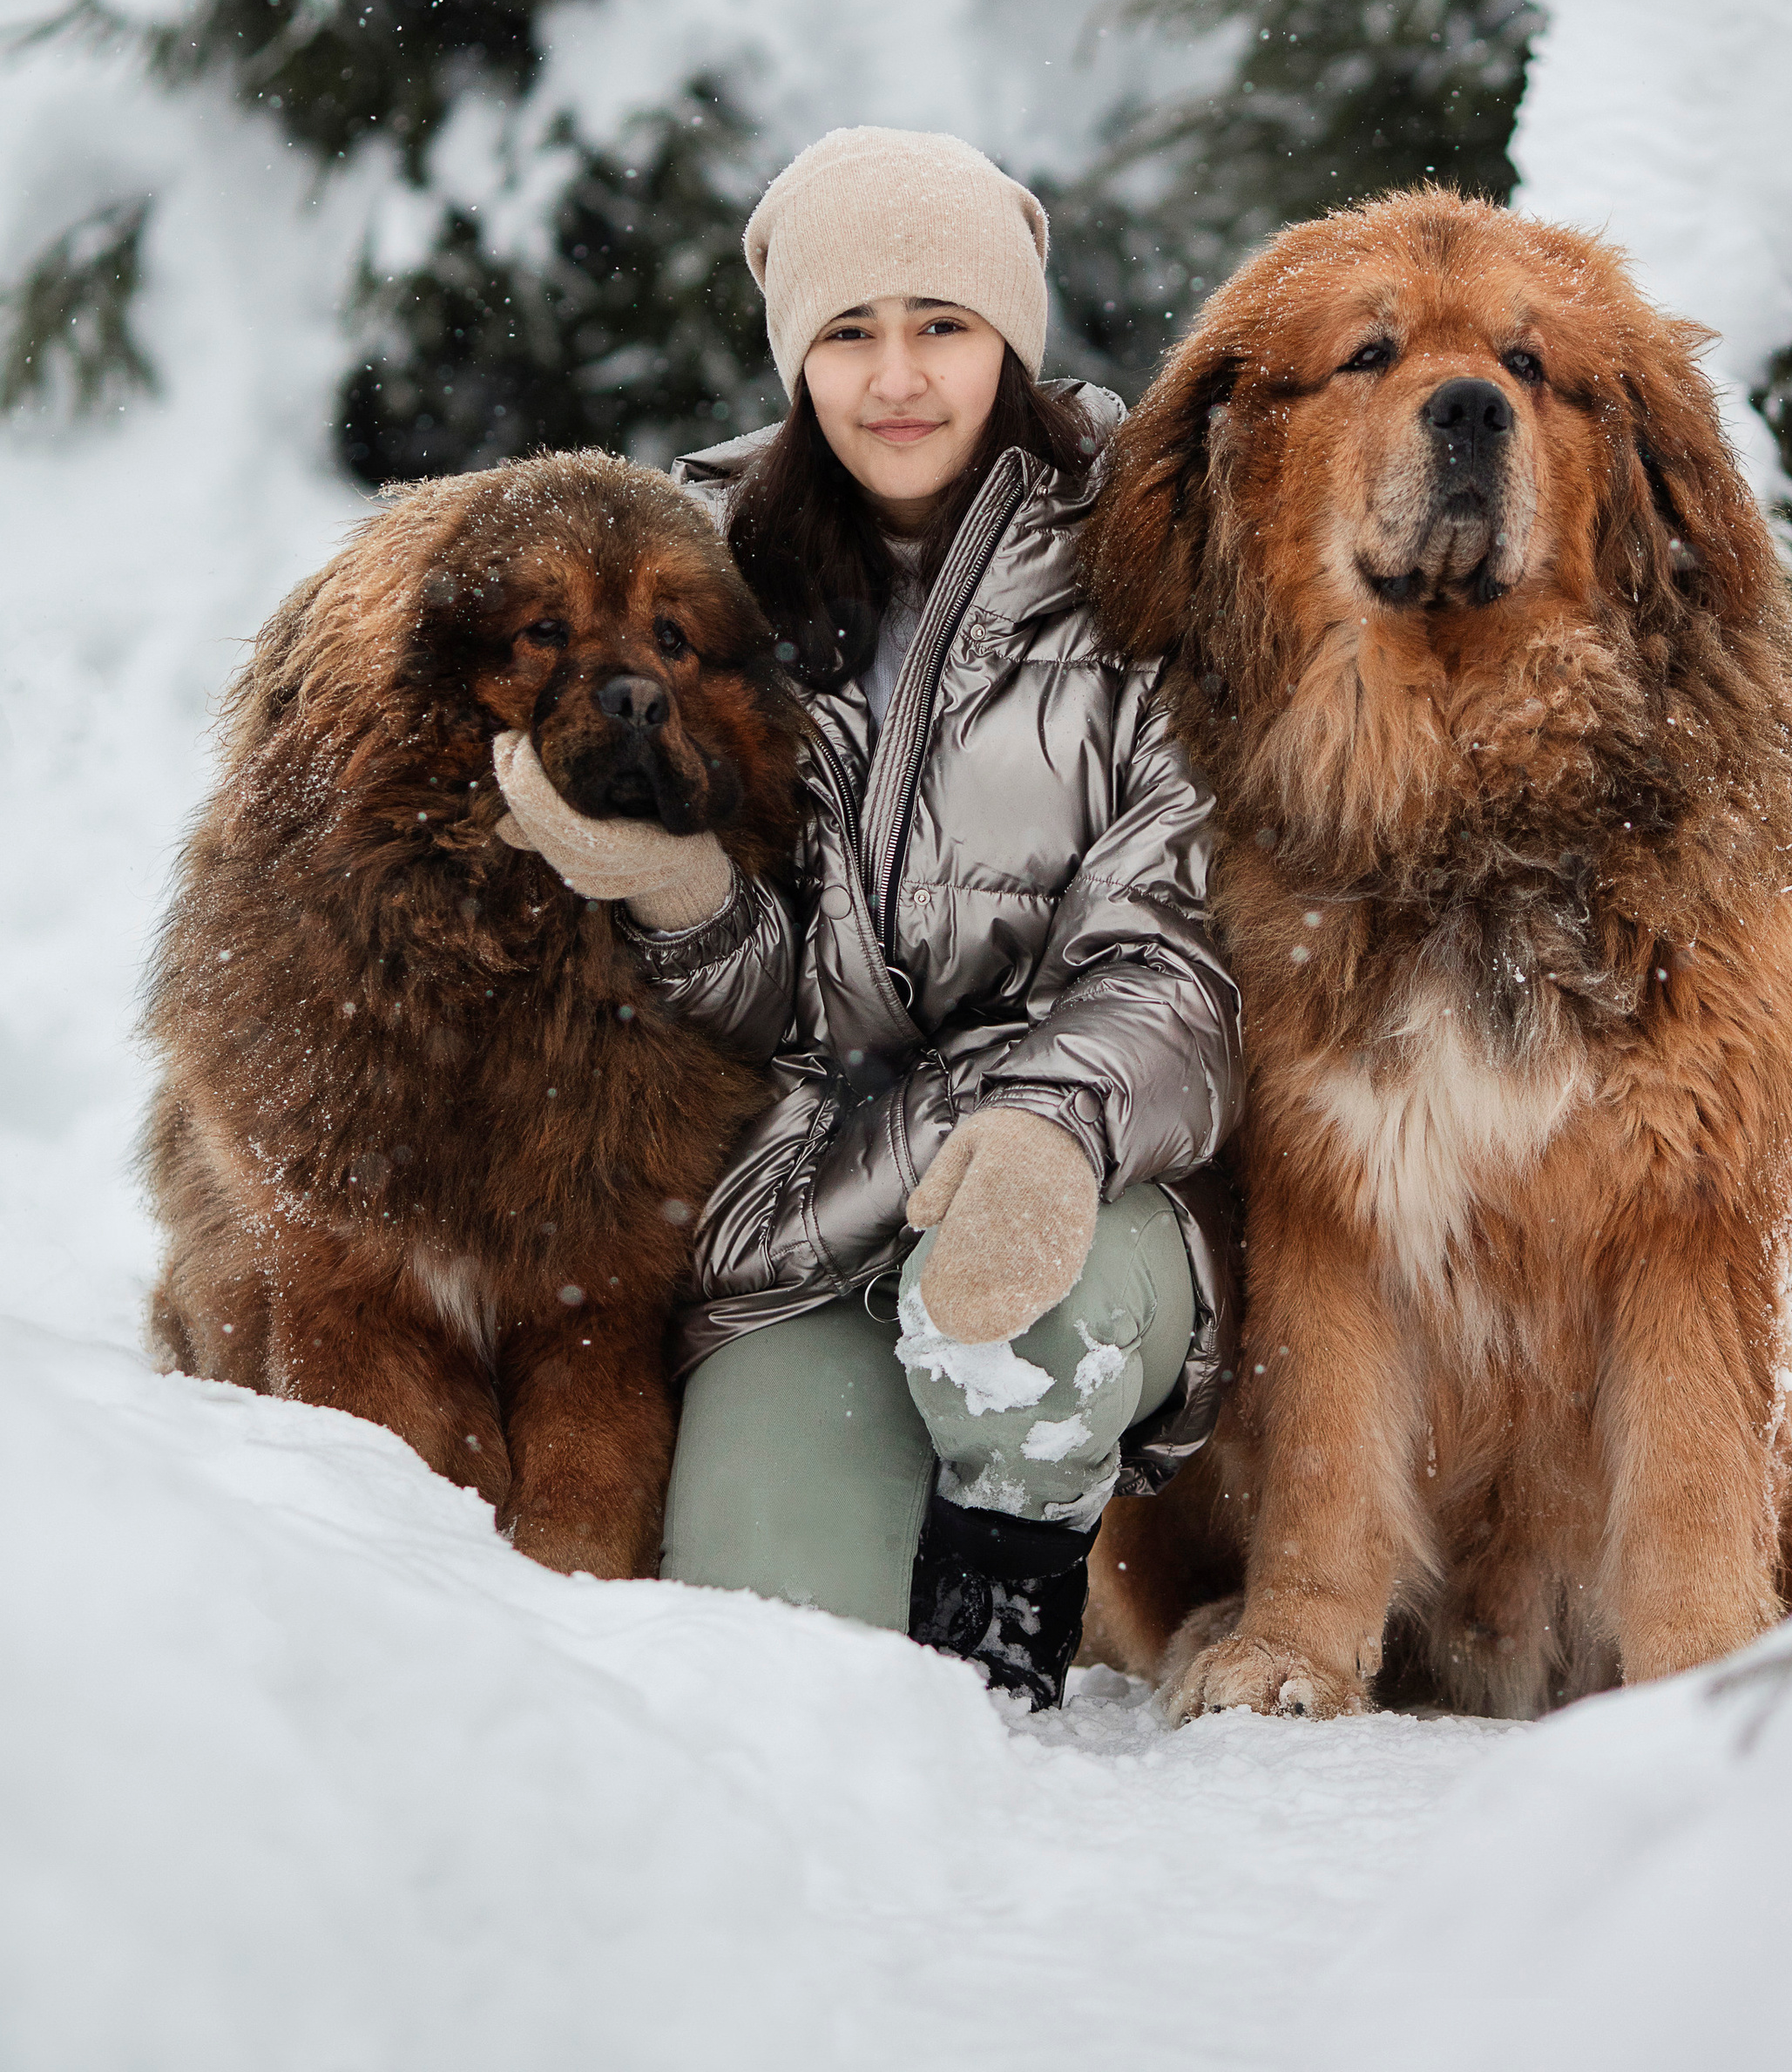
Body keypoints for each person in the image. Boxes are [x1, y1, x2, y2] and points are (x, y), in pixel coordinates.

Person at [491, 124, 1240, 1710]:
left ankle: (1011, 1626)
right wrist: (682, 897)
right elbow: (775, 1004)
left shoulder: (1150, 565)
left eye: (942, 326)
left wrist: (1049, 1128)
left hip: (1078, 1185)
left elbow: (1170, 962)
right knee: (770, 1654)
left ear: (1010, 340)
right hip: (818, 1205)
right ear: (795, 363)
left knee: (1014, 1335)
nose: (897, 377)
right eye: (850, 333)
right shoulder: (712, 585)